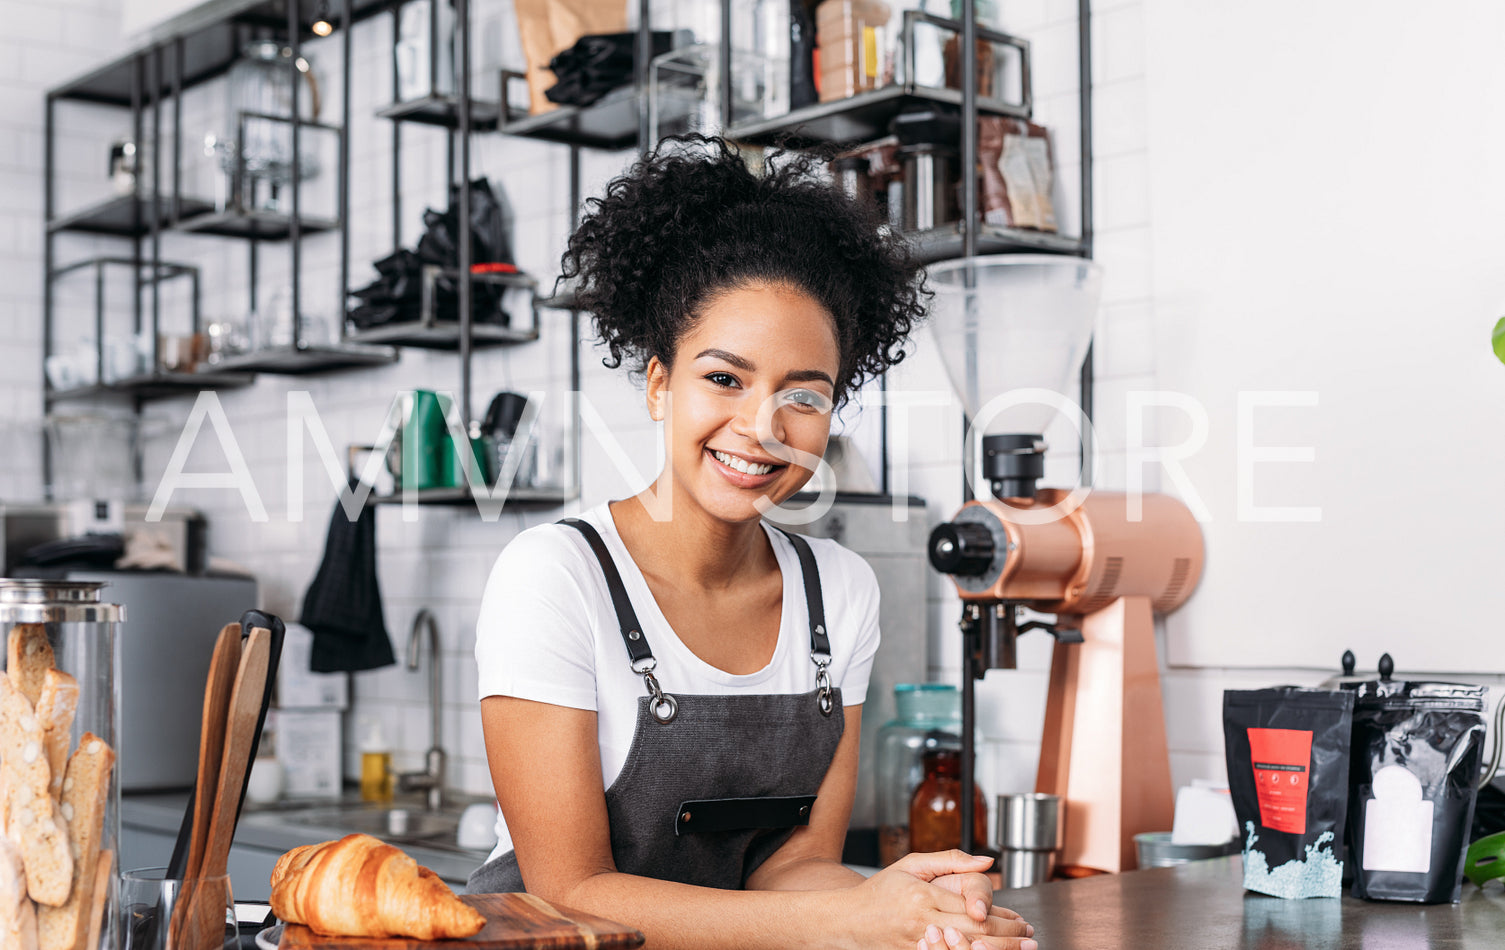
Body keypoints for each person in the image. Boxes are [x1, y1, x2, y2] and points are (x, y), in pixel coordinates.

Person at [470, 137, 1036, 950]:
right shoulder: (555, 575)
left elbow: (794, 867)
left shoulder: (839, 590)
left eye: (803, 395)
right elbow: (569, 891)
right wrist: (848, 916)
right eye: (724, 378)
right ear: (660, 383)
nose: (762, 429)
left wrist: (925, 914)